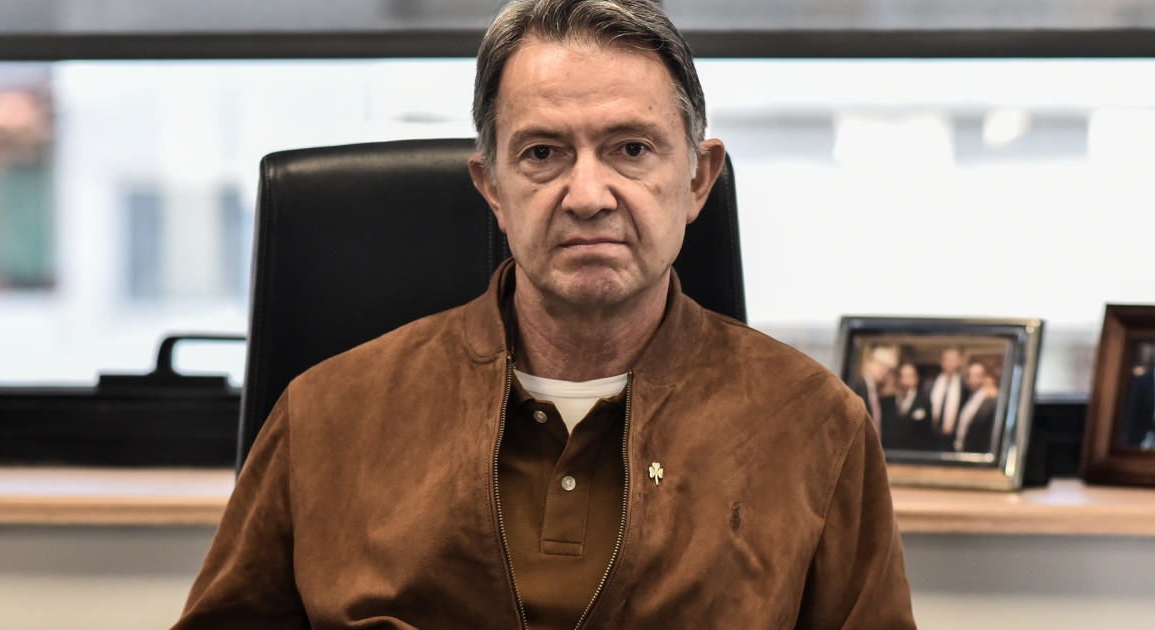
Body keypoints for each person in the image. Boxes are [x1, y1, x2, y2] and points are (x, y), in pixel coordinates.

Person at [172, 1, 915, 628]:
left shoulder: (814, 426)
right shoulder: (326, 415)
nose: (587, 196)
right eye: (542, 154)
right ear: (491, 186)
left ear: (698, 179)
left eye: (631, 149)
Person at [881, 361, 935, 451]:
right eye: (903, 376)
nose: (905, 380)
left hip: (913, 453)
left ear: (916, 378)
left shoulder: (924, 402)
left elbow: (928, 432)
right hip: (890, 452)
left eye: (909, 376)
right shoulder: (887, 402)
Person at [928, 345, 969, 450]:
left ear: (959, 361)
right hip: (929, 437)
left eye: (953, 359)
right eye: (947, 359)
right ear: (941, 361)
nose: (950, 363)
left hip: (953, 439)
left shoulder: (965, 385)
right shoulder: (930, 384)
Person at [849, 345, 897, 434]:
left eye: (888, 369)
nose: (884, 371)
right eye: (881, 365)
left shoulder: (875, 391)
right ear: (869, 363)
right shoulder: (857, 387)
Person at [953, 362, 998, 454]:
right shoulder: (965, 396)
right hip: (959, 449)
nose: (973, 380)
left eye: (978, 376)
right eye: (969, 376)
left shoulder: (991, 400)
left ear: (985, 378)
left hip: (977, 452)